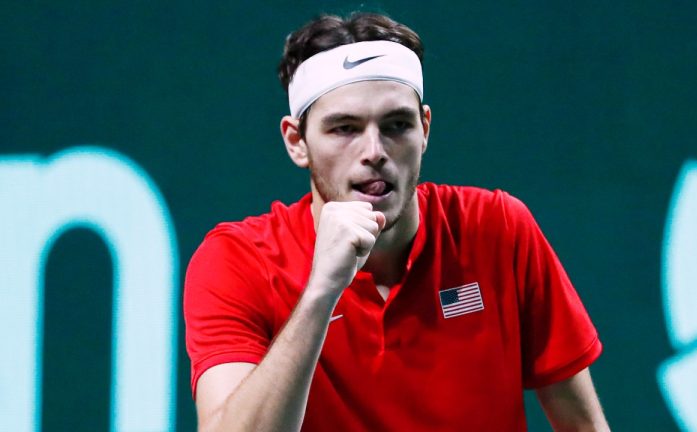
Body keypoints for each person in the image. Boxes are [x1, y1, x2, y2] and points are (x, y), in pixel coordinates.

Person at [184, 12, 609, 432]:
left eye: (397, 125)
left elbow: (584, 426)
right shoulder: (237, 261)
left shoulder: (498, 227)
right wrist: (321, 293)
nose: (374, 151)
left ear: (424, 129)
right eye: (344, 128)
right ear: (297, 142)